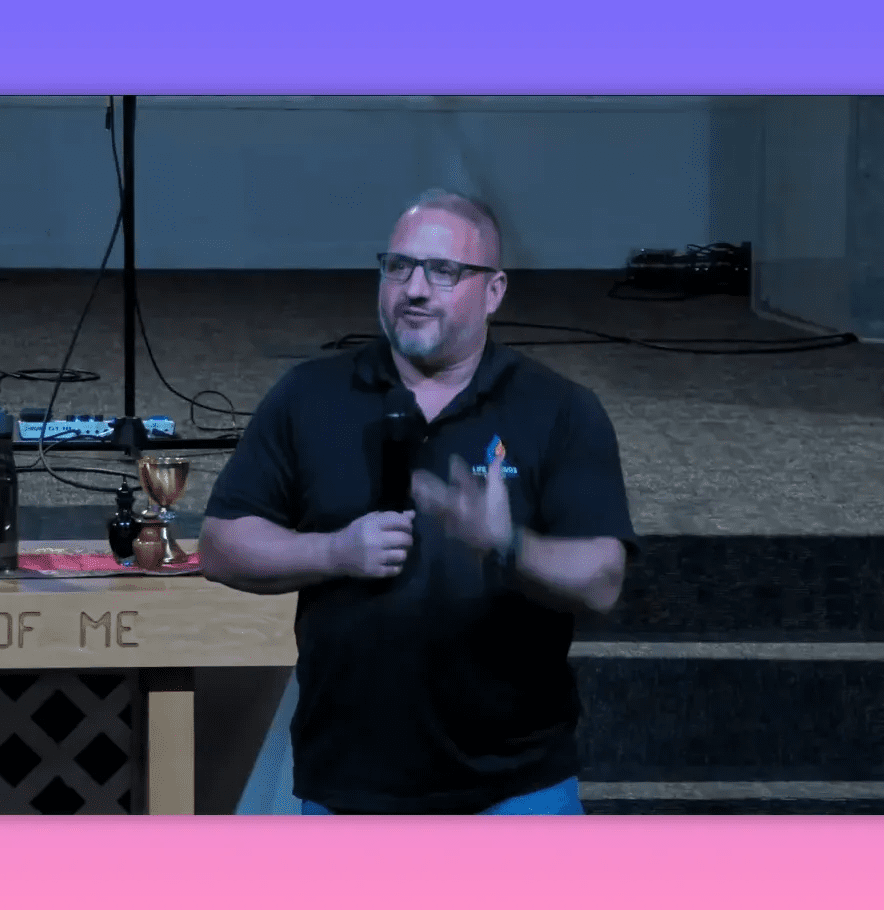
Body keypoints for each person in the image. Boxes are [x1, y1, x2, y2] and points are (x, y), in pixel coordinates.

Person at [198, 188, 639, 815]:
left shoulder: (560, 410)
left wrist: (505, 545)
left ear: (494, 291)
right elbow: (219, 545)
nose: (415, 288)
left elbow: (601, 580)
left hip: (515, 791)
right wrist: (333, 551)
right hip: (345, 787)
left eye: (445, 271)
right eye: (398, 266)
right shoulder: (311, 395)